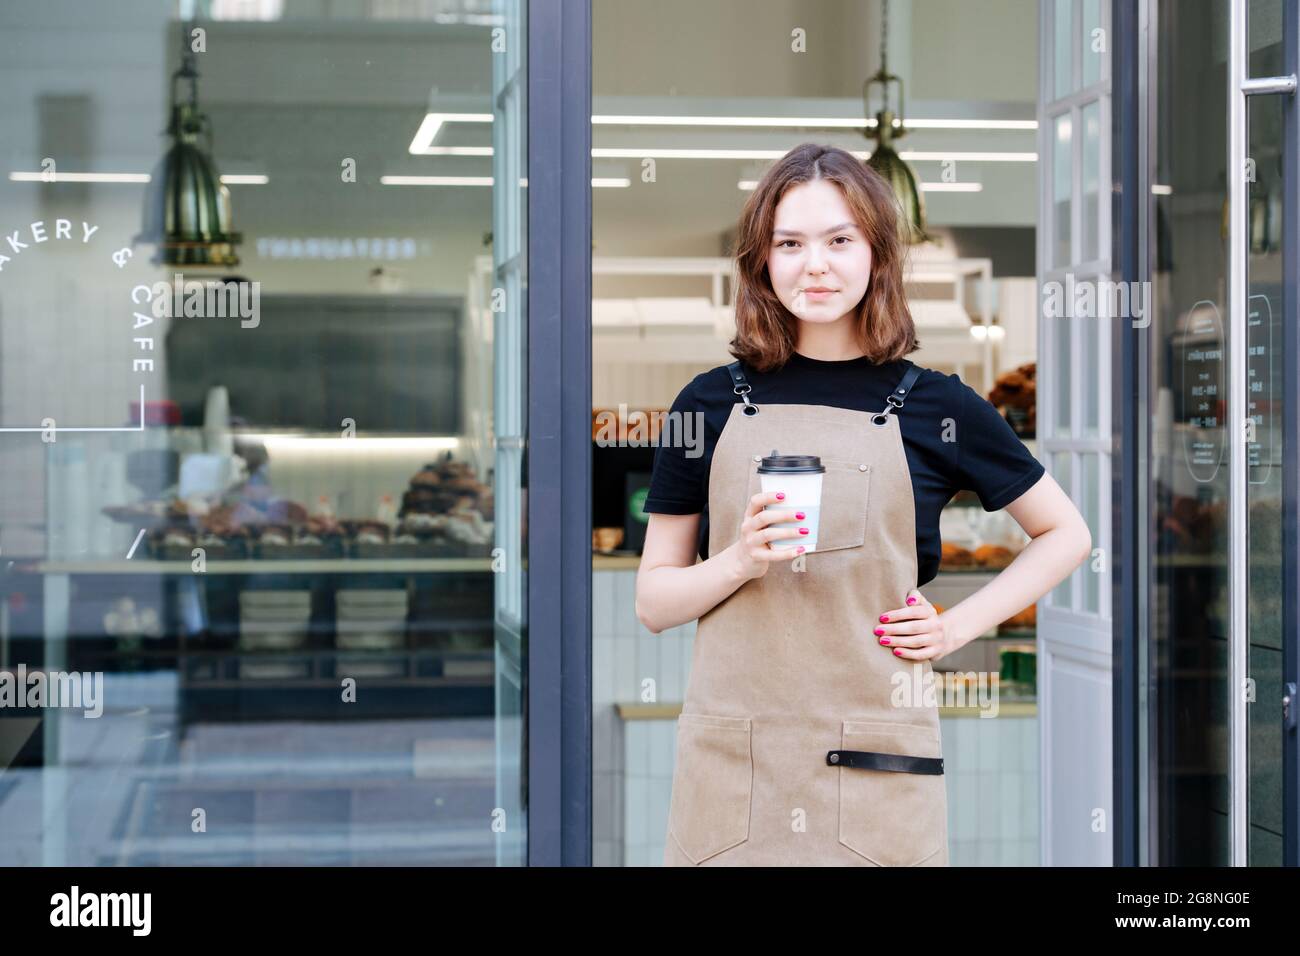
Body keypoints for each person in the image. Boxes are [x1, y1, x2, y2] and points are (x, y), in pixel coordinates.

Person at [636, 143, 1091, 867]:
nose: (815, 265)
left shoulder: (937, 405)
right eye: (790, 243)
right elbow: (655, 601)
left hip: (875, 756)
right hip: (736, 768)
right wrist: (738, 561)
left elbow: (1066, 534)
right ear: (762, 261)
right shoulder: (709, 404)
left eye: (840, 240)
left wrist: (954, 627)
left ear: (878, 255)